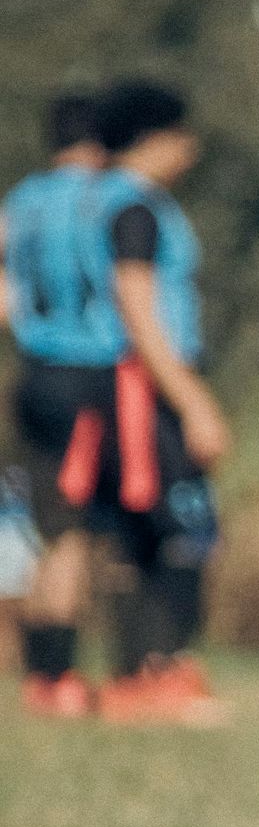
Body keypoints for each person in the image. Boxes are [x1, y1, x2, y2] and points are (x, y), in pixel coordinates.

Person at [87, 79, 233, 724]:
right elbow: (139, 309)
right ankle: (158, 670)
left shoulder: (98, 200)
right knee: (178, 529)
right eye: (181, 134)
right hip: (143, 386)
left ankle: (141, 674)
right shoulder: (135, 209)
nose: (191, 148)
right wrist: (192, 399)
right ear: (153, 140)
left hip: (129, 384)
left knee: (144, 533)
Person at [1, 90, 113, 715]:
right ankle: (61, 676)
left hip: (31, 372)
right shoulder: (104, 199)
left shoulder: (20, 201)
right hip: (84, 373)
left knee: (47, 529)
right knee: (74, 533)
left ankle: (39, 677)